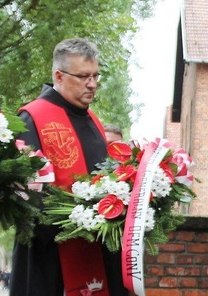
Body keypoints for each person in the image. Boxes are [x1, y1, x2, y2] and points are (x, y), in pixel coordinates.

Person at [10, 38, 130, 296]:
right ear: (59, 75)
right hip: (49, 254)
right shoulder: (33, 117)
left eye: (96, 75)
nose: (93, 84)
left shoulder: (94, 121)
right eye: (83, 76)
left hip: (94, 248)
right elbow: (24, 192)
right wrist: (75, 220)